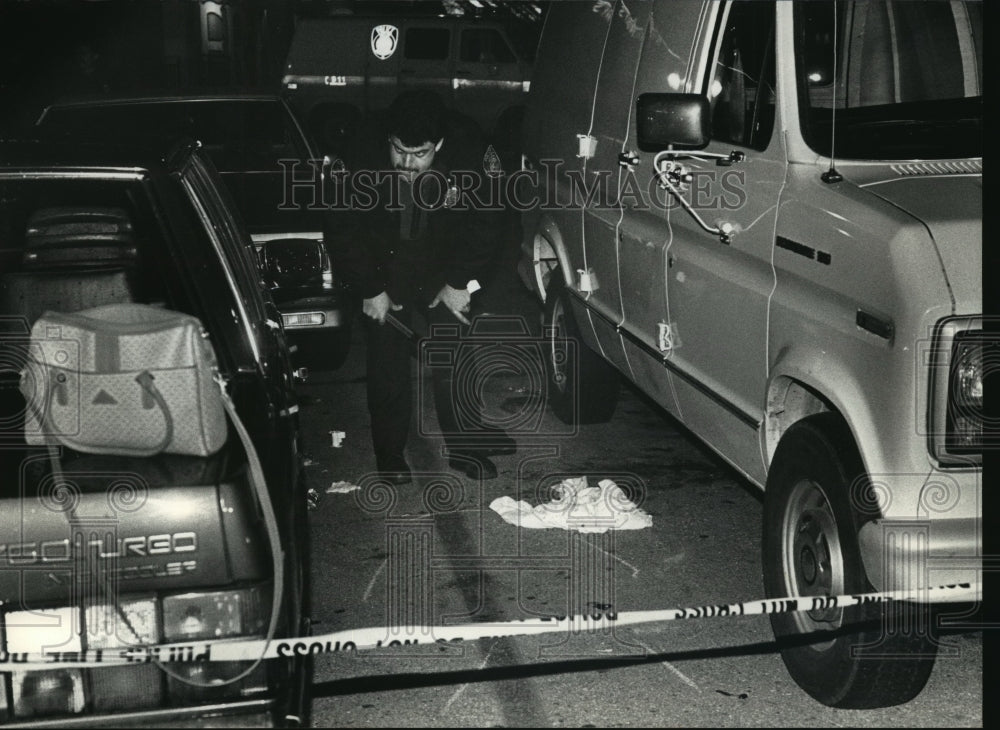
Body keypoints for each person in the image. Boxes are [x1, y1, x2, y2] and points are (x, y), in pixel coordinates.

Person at [324, 90, 514, 484]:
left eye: (421, 154)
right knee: (388, 360)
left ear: (440, 145)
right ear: (388, 138)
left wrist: (461, 283)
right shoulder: (358, 148)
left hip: (443, 263)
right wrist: (369, 287)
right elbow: (342, 228)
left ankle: (465, 448)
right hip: (383, 261)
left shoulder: (470, 148)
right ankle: (390, 454)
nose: (407, 164)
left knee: (455, 352)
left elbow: (489, 221)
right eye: (399, 151)